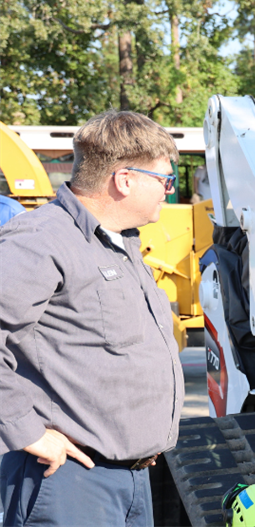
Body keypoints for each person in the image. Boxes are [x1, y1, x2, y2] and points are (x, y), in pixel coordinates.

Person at [0, 110, 186, 527]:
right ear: (124, 179)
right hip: (67, 484)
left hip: (132, 479)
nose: (168, 192)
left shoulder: (120, 244)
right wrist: (26, 431)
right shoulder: (41, 240)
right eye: (164, 180)